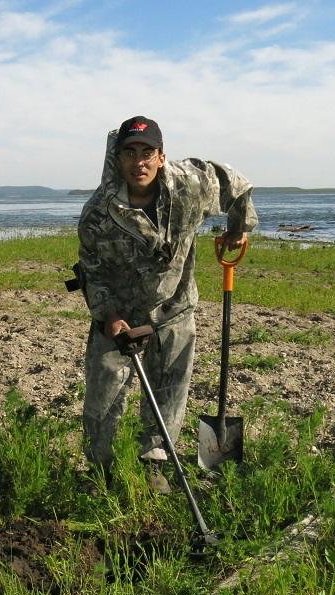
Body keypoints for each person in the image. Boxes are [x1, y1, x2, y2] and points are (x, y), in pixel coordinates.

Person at [76, 115, 257, 492]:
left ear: (161, 156)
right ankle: (100, 472)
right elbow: (92, 270)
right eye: (130, 152)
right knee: (103, 398)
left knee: (169, 395)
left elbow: (238, 186)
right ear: (118, 157)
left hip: (174, 311)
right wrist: (109, 316)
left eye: (147, 152)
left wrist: (239, 228)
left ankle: (154, 466)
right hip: (119, 319)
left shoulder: (192, 185)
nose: (138, 162)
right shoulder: (98, 213)